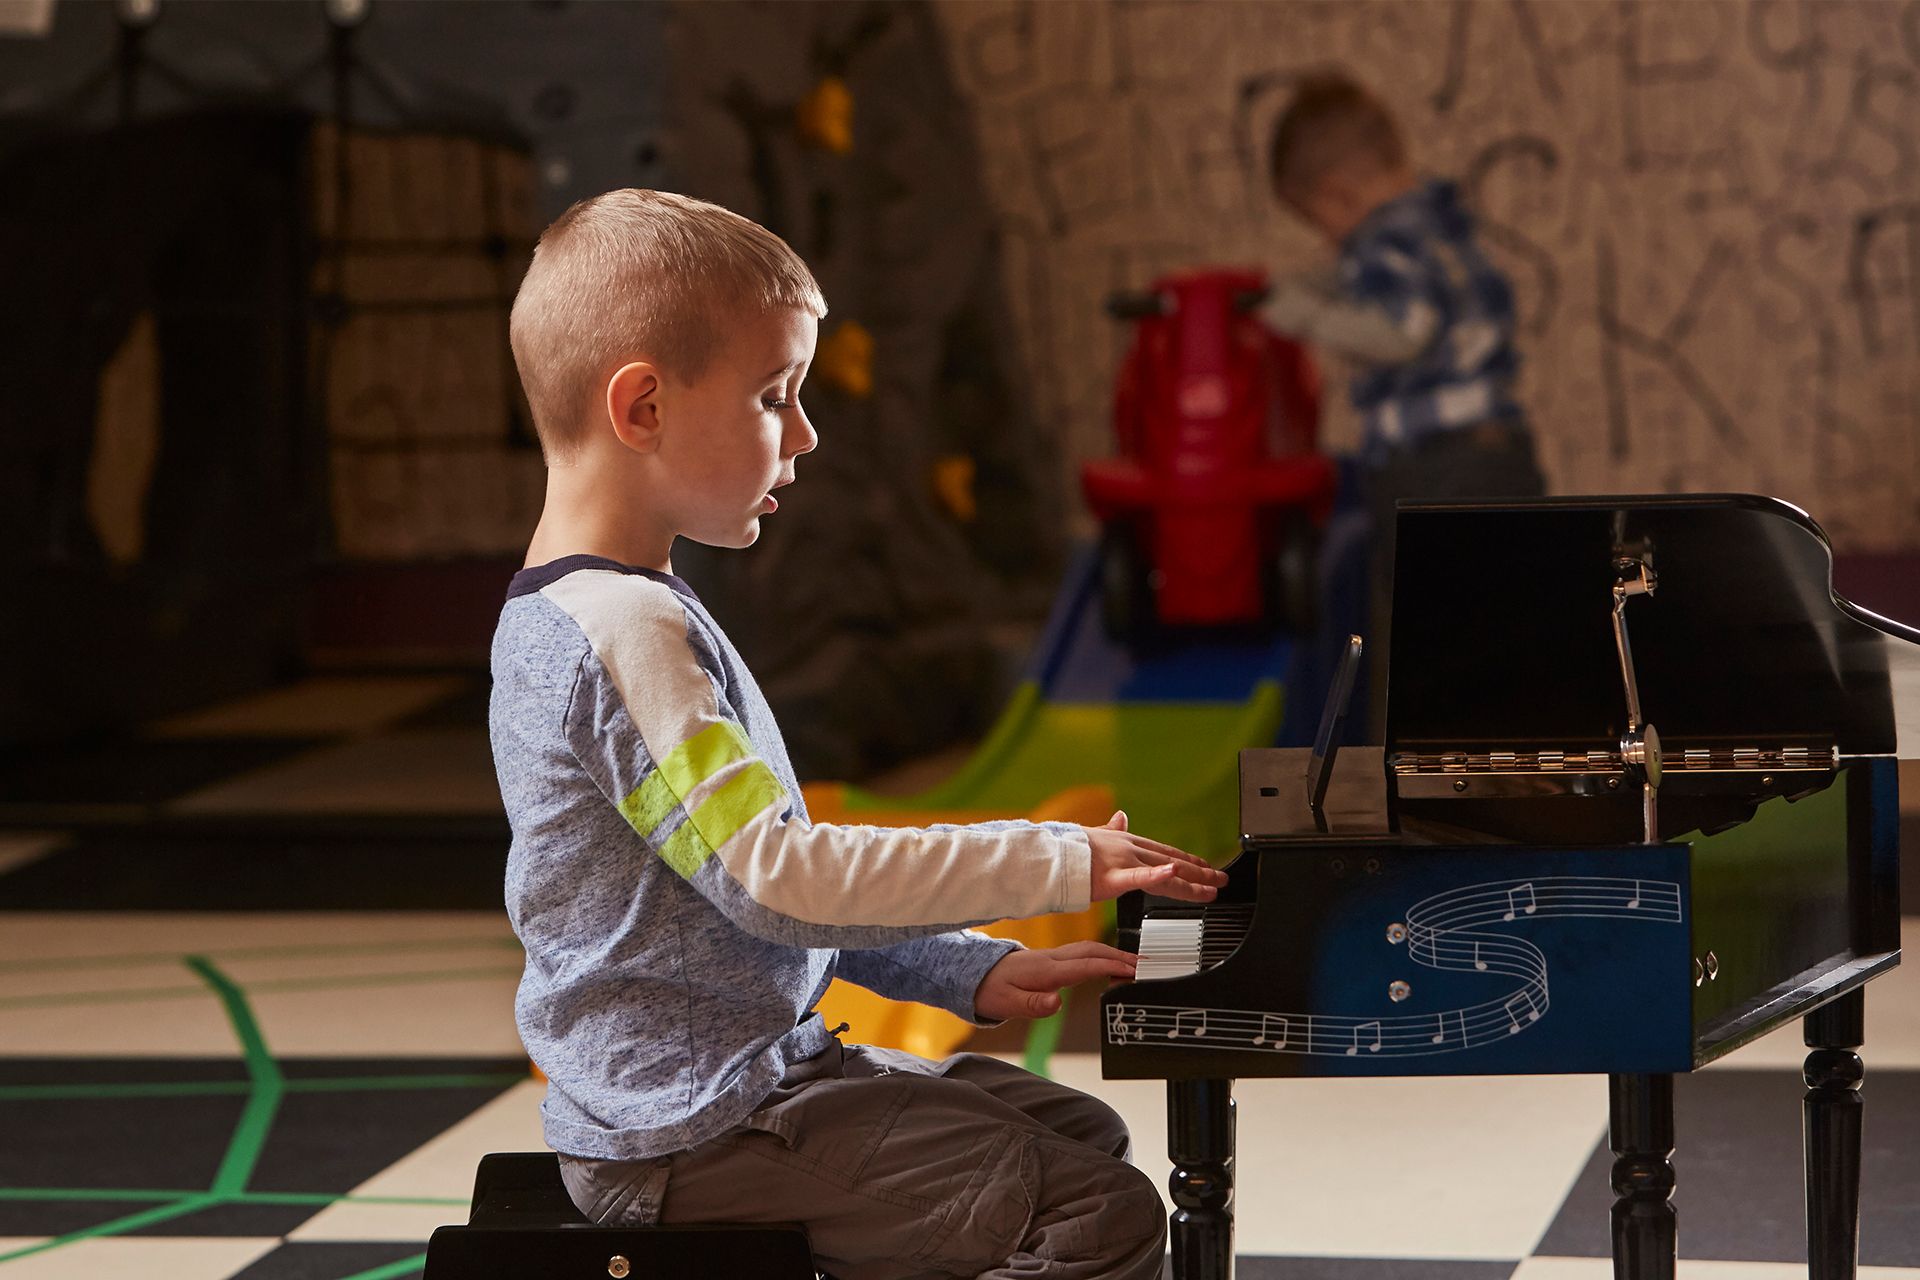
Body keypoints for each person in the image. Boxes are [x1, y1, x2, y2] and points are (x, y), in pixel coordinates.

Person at [492, 188, 1223, 1280]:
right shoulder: (623, 632)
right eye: (773, 394)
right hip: (695, 1125)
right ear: (641, 407)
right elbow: (779, 878)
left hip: (741, 1079)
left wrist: (959, 970)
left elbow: (736, 894)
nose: (805, 432)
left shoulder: (603, 610)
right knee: (1100, 1216)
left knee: (1084, 1141)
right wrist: (1051, 857)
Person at [1262, 73, 1545, 736]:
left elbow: (1404, 330)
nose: (1332, 243)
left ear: (1339, 195)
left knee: (1425, 634)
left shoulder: (1381, 241)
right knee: (1508, 617)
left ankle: (1433, 771)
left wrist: (1305, 315)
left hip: (1433, 470)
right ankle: (1525, 760)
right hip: (1499, 454)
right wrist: (1316, 281)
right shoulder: (1440, 221)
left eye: (1321, 224)